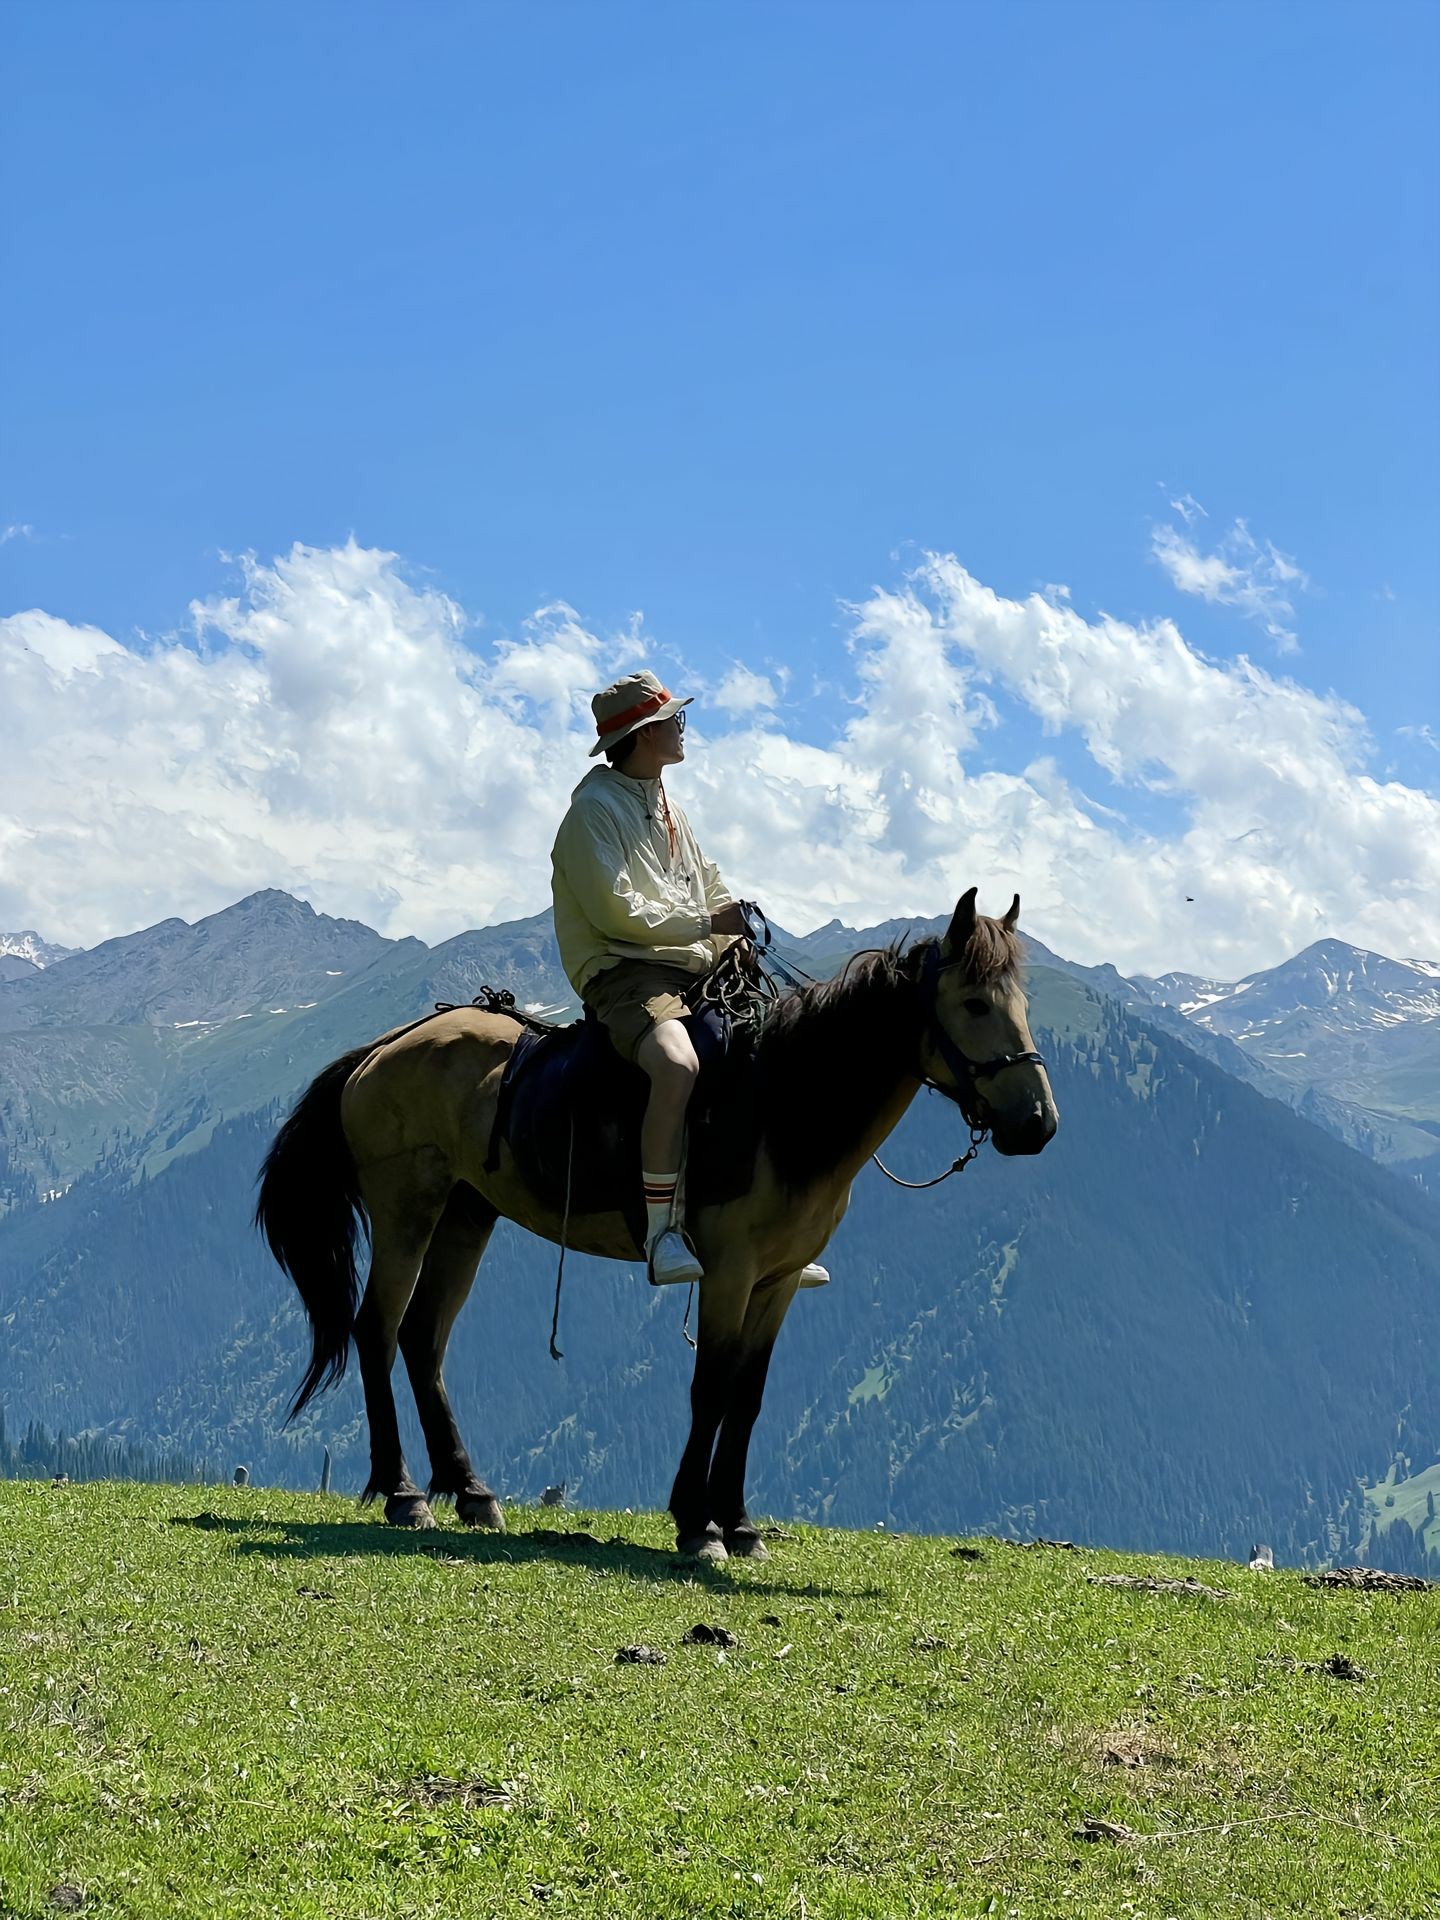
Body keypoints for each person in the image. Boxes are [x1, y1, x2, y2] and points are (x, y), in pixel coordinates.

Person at [551, 669, 827, 1291]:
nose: (682, 728)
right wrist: (707, 921)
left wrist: (731, 934)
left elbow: (711, 880)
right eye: (675, 719)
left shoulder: (663, 801)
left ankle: (770, 1225)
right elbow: (615, 913)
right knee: (676, 1064)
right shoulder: (591, 815)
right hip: (622, 971)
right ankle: (661, 1232)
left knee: (770, 1044)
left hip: (687, 963)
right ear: (648, 734)